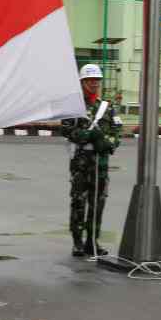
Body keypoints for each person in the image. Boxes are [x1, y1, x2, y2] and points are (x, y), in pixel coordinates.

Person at [59, 64, 121, 257]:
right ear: (82, 83)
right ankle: (77, 242)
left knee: (98, 203)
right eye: (90, 80)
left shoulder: (107, 107)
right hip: (81, 161)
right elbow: (66, 129)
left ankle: (92, 241)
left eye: (96, 80)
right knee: (79, 201)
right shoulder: (74, 107)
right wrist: (87, 135)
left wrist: (107, 143)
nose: (94, 84)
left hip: (100, 162)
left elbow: (116, 132)